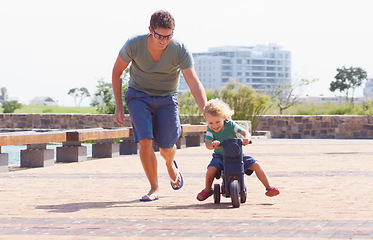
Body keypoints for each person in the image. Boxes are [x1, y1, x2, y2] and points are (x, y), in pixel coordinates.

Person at [112, 10, 207, 202]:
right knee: (145, 141)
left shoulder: (179, 49)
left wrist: (206, 110)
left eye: (168, 36)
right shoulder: (134, 44)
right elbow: (117, 71)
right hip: (138, 96)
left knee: (166, 147)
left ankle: (171, 165)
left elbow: (194, 82)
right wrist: (119, 105)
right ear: (150, 30)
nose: (164, 40)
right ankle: (154, 188)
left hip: (166, 98)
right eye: (159, 36)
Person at [197, 99, 279, 201]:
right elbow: (207, 144)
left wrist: (247, 139)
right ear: (206, 120)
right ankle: (208, 189)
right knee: (211, 170)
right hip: (220, 157)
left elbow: (244, 132)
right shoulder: (210, 130)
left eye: (217, 122)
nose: (214, 125)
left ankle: (268, 187)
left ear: (223, 117)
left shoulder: (230, 125)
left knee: (256, 165)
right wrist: (213, 144)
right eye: (211, 123)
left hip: (236, 155)